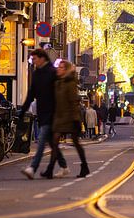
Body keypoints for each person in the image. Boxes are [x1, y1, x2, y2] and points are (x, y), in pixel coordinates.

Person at [20, 49, 68, 180]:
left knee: (41, 140)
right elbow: (31, 94)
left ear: (42, 58)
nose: (33, 61)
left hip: (53, 114)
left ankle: (32, 168)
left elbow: (60, 93)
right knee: (52, 143)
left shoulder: (53, 73)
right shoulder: (36, 74)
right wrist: (22, 111)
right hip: (42, 113)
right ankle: (64, 166)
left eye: (34, 59)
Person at [41, 60, 89, 179]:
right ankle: (50, 169)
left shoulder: (70, 83)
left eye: (61, 67)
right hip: (59, 117)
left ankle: (84, 166)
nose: (58, 69)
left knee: (76, 143)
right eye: (59, 67)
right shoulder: (58, 82)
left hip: (69, 117)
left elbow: (74, 102)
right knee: (54, 142)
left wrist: (76, 119)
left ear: (66, 70)